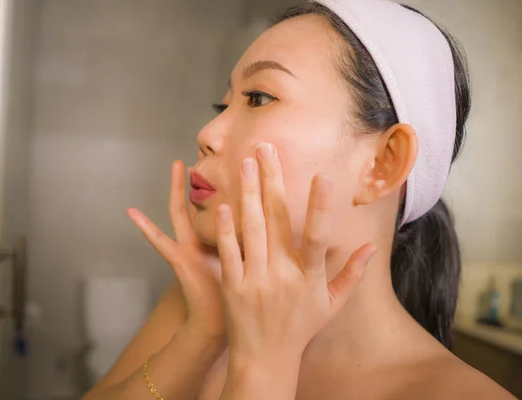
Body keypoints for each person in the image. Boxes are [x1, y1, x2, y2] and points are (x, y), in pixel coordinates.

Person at [83, 1, 516, 399]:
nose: (207, 134)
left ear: (384, 163)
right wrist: (202, 333)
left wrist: (261, 368)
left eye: (258, 98)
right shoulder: (201, 303)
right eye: (223, 105)